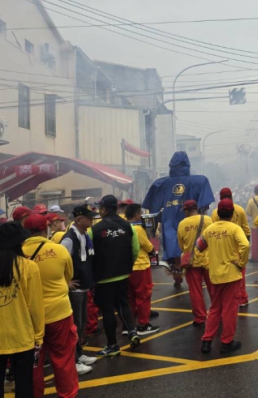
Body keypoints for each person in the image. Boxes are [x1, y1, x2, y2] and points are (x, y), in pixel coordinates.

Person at [0, 222, 45, 398]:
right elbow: (35, 306)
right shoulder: (29, 267)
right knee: (24, 384)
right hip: (22, 335)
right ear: (20, 242)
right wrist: (38, 335)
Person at [20, 214, 80, 398]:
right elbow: (68, 276)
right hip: (59, 314)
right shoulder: (59, 250)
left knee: (34, 363)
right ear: (46, 228)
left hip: (29, 318)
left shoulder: (18, 254)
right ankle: (68, 394)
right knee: (63, 358)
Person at [143, 151, 214, 289]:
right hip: (191, 221)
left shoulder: (161, 183)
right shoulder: (198, 181)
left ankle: (177, 277)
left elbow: (153, 206)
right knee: (196, 248)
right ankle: (199, 277)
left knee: (174, 251)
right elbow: (204, 204)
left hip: (169, 223)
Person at [90, 195, 141, 356]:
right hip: (123, 274)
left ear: (104, 209)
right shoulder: (128, 226)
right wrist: (127, 265)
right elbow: (135, 250)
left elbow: (90, 254)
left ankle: (112, 345)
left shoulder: (95, 230)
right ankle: (132, 331)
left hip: (103, 276)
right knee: (123, 304)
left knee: (108, 310)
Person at [198, 199, 250, 355]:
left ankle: (206, 341)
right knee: (229, 309)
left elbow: (199, 247)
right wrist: (241, 262)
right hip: (231, 274)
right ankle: (226, 342)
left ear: (218, 213)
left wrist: (209, 260)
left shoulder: (209, 230)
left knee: (214, 308)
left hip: (214, 274)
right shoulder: (234, 229)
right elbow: (245, 245)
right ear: (233, 213)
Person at [58, 205, 97, 375]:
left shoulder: (84, 235)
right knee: (74, 326)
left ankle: (79, 354)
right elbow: (60, 261)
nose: (91, 220)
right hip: (75, 289)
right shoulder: (69, 238)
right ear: (79, 219)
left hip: (83, 286)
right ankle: (73, 360)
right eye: (89, 217)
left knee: (81, 324)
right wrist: (65, 281)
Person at [212, 188, 251, 308]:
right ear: (231, 196)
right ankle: (242, 298)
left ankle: (224, 300)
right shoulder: (239, 209)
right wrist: (245, 247)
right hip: (237, 248)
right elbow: (246, 230)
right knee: (240, 275)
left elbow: (213, 230)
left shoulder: (215, 212)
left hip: (221, 248)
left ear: (220, 197)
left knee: (221, 275)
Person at [126, 204, 159, 336]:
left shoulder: (123, 227)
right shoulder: (138, 229)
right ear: (136, 214)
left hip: (127, 267)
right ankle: (143, 324)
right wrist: (152, 250)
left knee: (130, 297)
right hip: (140, 266)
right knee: (143, 295)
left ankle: (129, 326)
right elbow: (147, 245)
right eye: (140, 213)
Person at [177, 200, 212, 327]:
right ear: (196, 208)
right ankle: (217, 314)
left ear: (186, 211)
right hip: (208, 260)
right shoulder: (208, 220)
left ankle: (200, 317)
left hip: (191, 262)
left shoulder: (182, 224)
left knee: (195, 291)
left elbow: (181, 244)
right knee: (214, 289)